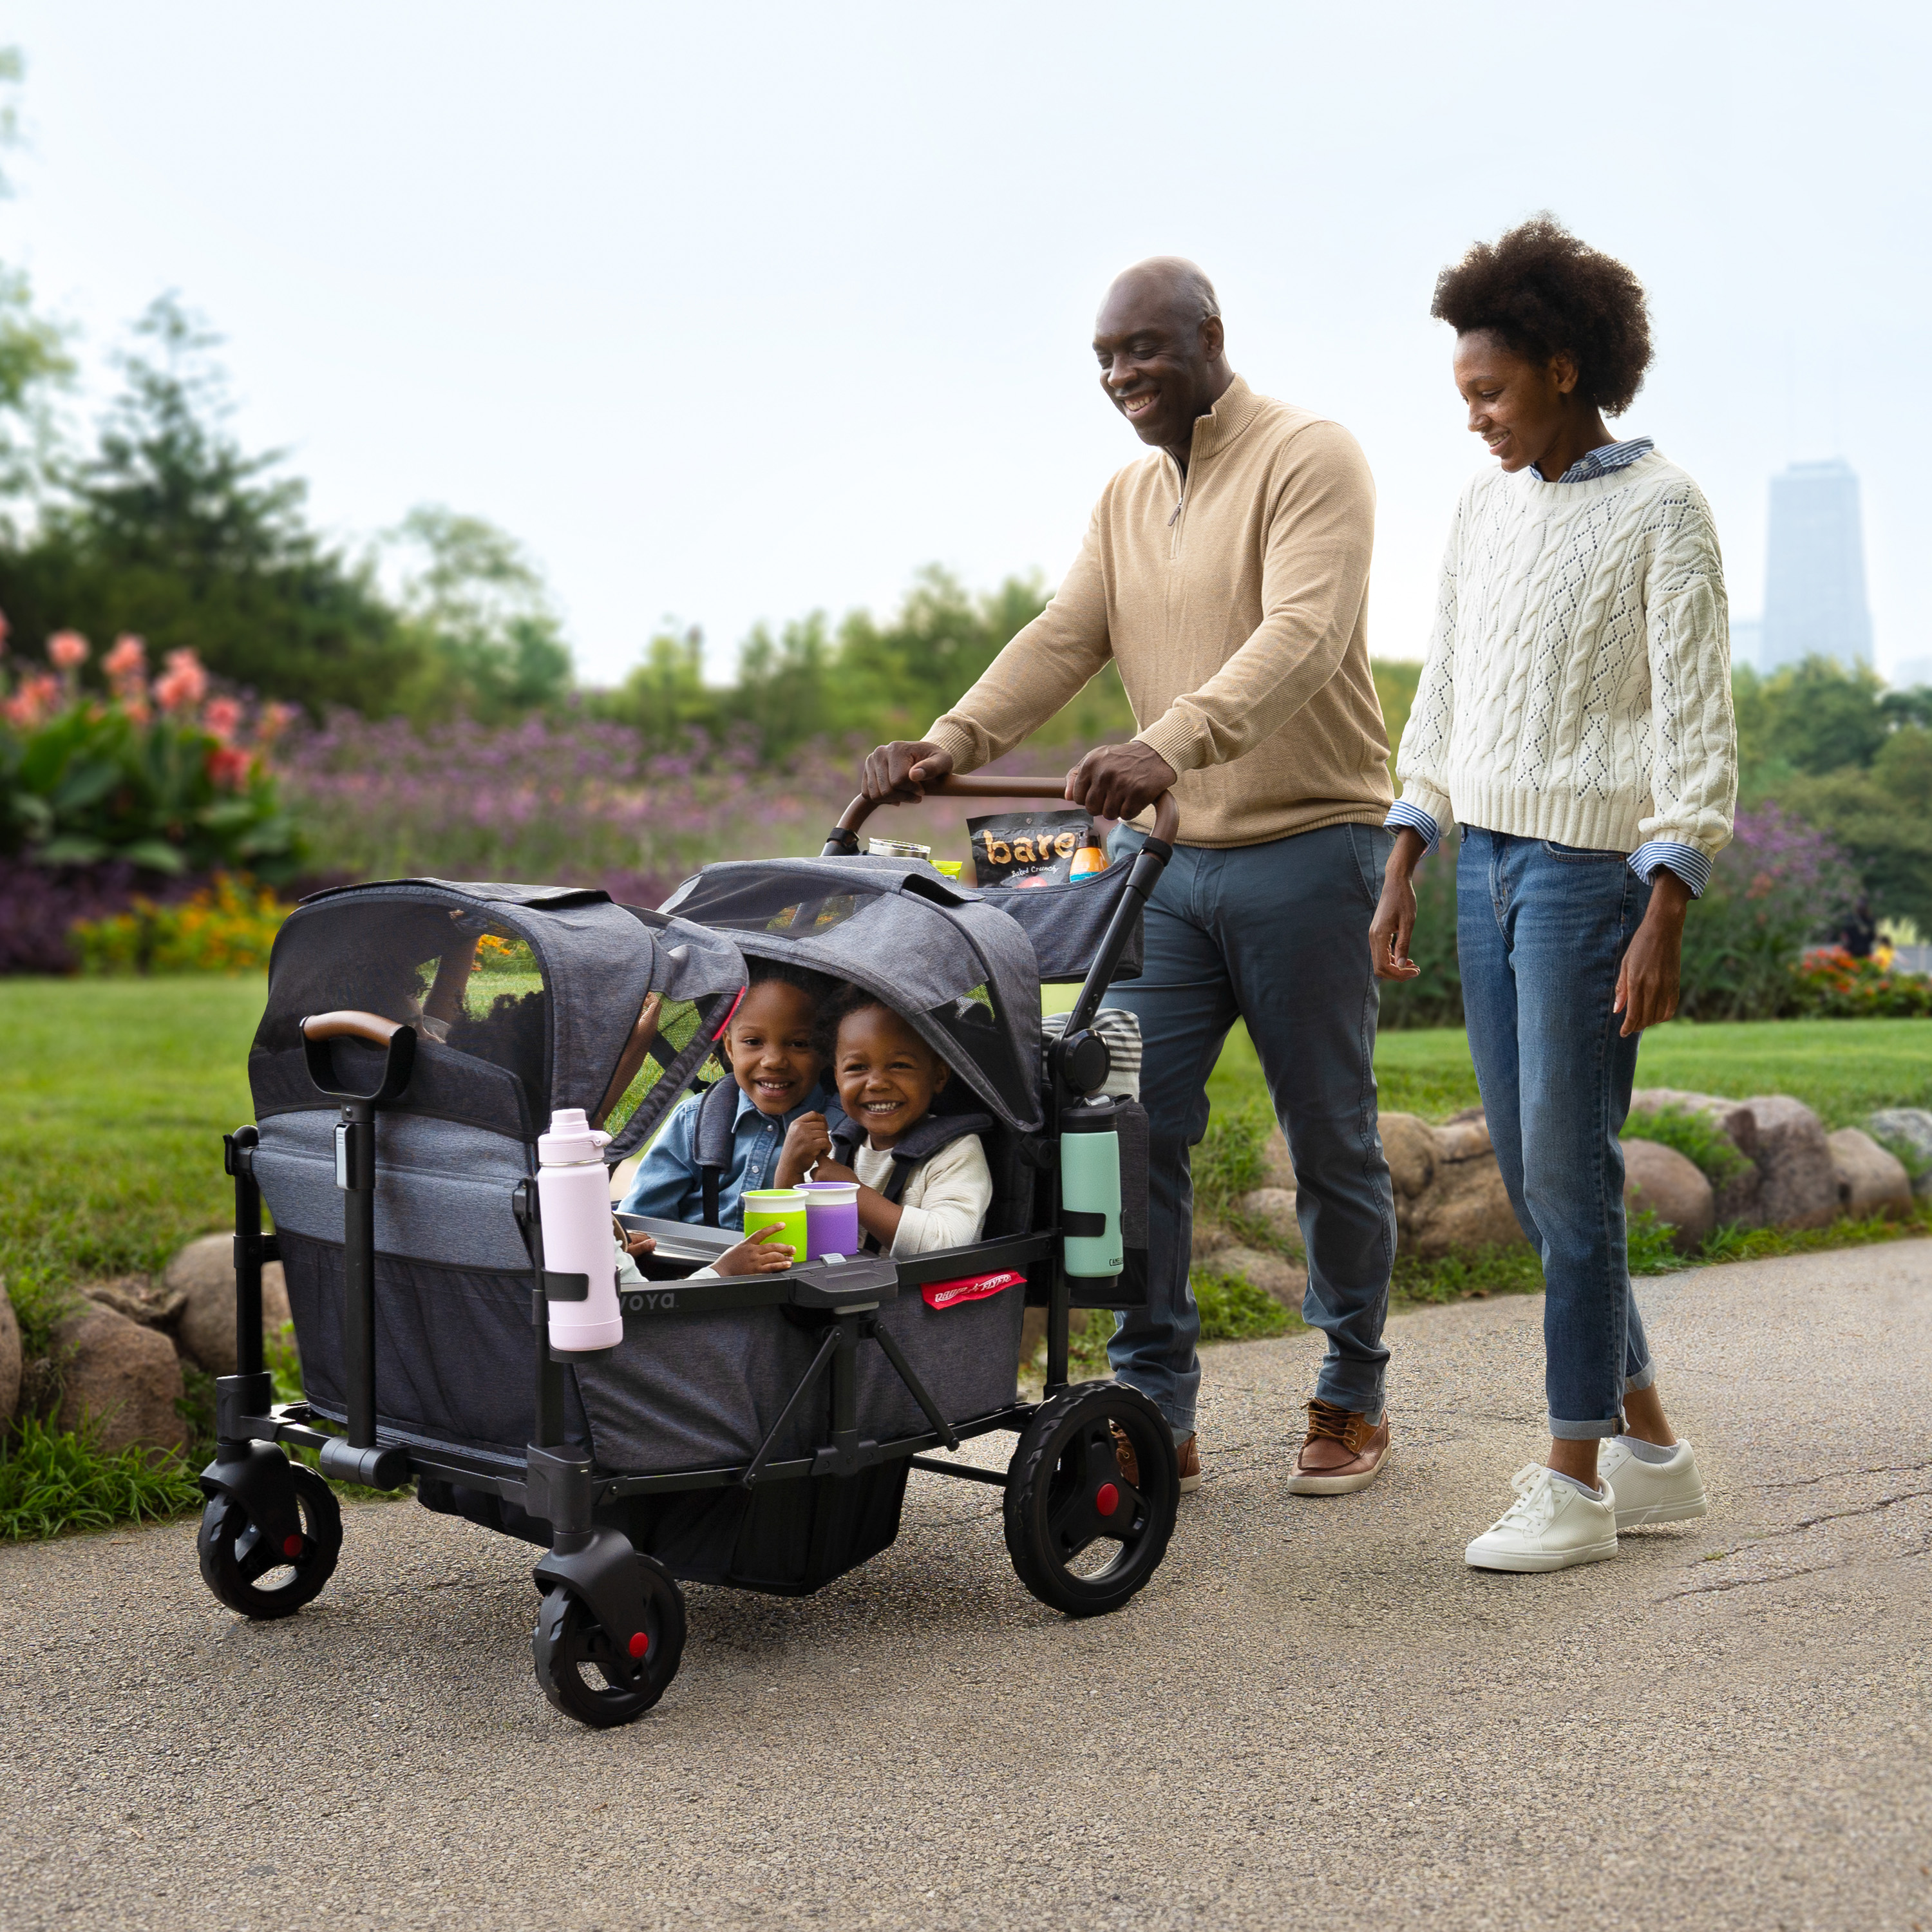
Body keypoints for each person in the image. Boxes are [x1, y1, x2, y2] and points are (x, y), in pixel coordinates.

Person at [863, 258, 1399, 1496]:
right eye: (1106, 358)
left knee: (1331, 1136)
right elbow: (1065, 636)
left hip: (1310, 848)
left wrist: (1173, 740)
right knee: (1126, 1131)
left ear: (1211, 335)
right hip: (1166, 871)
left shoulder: (1310, 456)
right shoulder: (1125, 497)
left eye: (1143, 350)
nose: (1121, 376)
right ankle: (1156, 1402)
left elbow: (1304, 635)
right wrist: (950, 742)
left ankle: (1352, 1389)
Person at [1372, 217, 1734, 1573]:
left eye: (1491, 391)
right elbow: (1448, 690)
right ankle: (1654, 1456)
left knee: (1572, 1186)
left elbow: (1696, 722)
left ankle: (1574, 1478)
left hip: (1593, 882)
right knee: (1539, 1182)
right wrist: (1408, 848)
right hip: (1487, 866)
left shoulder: (1665, 509)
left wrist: (1667, 900)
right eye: (1464, 395)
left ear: (1564, 370)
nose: (1475, 417)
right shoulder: (1482, 511)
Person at [786, 992, 993, 1256]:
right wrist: (789, 1171)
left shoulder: (956, 1152)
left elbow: (945, 1245)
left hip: (923, 1284)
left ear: (939, 1076)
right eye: (857, 1067)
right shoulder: (833, 1149)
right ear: (837, 1077)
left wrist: (852, 1193)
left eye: (899, 1065)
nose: (877, 1083)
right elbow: (789, 1245)